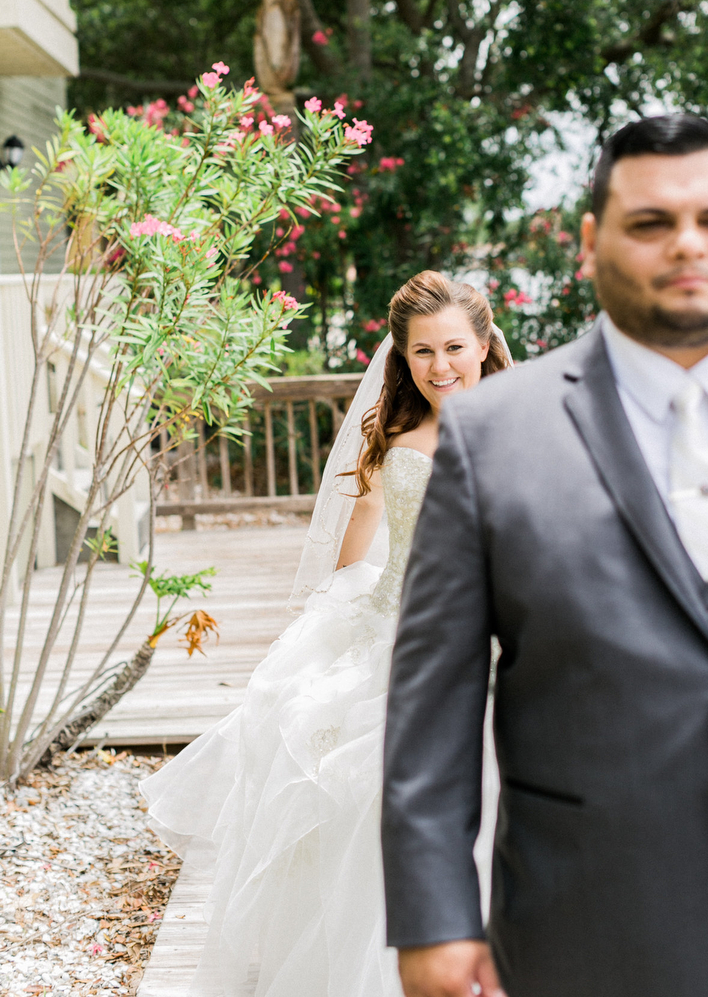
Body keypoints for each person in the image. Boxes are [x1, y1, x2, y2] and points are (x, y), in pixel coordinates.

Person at [382, 114, 708, 997]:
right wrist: (433, 918)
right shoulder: (491, 434)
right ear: (590, 242)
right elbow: (433, 699)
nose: (688, 244)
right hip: (590, 924)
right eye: (651, 223)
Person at [140, 270, 511, 997]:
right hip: (398, 631)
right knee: (351, 787)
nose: (441, 367)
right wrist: (343, 611)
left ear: (485, 342)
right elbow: (361, 540)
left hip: (493, 636)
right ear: (401, 359)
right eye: (422, 353)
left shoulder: (525, 427)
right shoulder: (400, 437)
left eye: (455, 348)